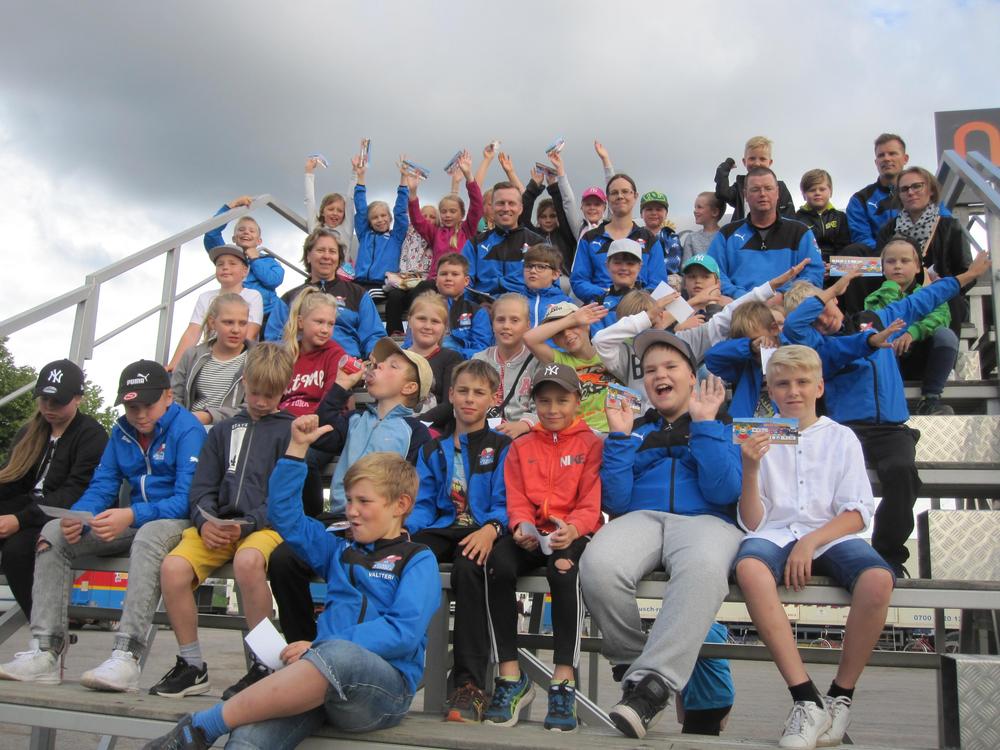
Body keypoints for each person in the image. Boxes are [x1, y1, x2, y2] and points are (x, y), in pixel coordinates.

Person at [141, 430, 439, 750]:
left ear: (400, 504)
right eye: (350, 500)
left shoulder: (418, 559)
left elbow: (403, 631)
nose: (351, 510)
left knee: (340, 655)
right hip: (321, 679)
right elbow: (285, 516)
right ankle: (198, 734)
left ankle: (202, 726)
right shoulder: (337, 549)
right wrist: (296, 450)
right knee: (248, 736)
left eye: (364, 501)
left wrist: (319, 648)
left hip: (383, 690)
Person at [781, 250, 991, 575]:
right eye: (815, 319)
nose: (824, 321)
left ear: (836, 302)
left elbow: (925, 299)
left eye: (825, 310)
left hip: (890, 430)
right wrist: (830, 292)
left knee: (903, 473)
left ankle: (887, 556)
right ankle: (823, 552)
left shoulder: (876, 319)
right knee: (822, 483)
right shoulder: (814, 345)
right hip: (844, 430)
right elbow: (795, 325)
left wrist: (968, 276)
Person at [0, 360, 206, 691]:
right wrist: (79, 516)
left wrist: (131, 515)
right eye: (132, 407)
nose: (140, 415)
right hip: (134, 519)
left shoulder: (188, 429)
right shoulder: (121, 430)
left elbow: (187, 499)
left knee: (148, 536)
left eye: (148, 405)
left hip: (175, 522)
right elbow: (102, 485)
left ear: (169, 397)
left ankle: (127, 656)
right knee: (53, 532)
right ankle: (45, 651)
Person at [581, 333, 743, 739]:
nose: (659, 375)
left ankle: (651, 687)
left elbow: (724, 491)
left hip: (707, 520)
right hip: (642, 517)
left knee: (703, 569)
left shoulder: (722, 423)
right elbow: (616, 501)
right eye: (650, 370)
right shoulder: (634, 429)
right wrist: (619, 438)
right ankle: (634, 666)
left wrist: (704, 426)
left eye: (670, 367)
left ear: (692, 376)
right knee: (598, 564)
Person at [734, 345, 894, 749]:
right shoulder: (758, 435)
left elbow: (857, 512)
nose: (793, 391)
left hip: (829, 535)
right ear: (770, 390)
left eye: (803, 382)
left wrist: (810, 541)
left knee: (877, 579)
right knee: (750, 568)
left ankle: (841, 695)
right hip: (775, 532)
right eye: (783, 384)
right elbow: (753, 521)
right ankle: (805, 698)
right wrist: (750, 469)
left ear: (819, 387)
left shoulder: (842, 437)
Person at [151, 343, 294, 700]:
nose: (261, 401)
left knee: (248, 562)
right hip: (218, 526)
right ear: (244, 382)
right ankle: (191, 665)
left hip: (266, 527)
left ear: (285, 389)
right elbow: (201, 488)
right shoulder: (222, 430)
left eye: (271, 395)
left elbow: (284, 497)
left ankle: (264, 664)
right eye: (255, 392)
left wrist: (247, 524)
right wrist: (205, 523)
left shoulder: (290, 431)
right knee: (173, 568)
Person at [271, 338, 432, 643]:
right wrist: (342, 385)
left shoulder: (416, 432)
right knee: (283, 560)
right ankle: (303, 643)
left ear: (409, 387)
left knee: (367, 568)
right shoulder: (355, 419)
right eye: (378, 363)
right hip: (339, 518)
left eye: (391, 366)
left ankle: (349, 643)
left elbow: (418, 488)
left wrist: (403, 527)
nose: (377, 367)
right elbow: (323, 432)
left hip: (384, 525)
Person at [482, 363, 603, 732]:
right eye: (545, 401)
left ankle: (563, 680)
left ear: (577, 401)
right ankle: (510, 676)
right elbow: (517, 497)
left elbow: (591, 501)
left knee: (563, 571)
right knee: (497, 564)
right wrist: (521, 526)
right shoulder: (521, 446)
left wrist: (575, 528)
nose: (552, 409)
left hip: (571, 533)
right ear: (533, 402)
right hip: (532, 534)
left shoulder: (592, 444)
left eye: (562, 401)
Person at [408, 360, 511, 723]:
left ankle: (470, 684)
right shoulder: (432, 448)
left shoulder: (501, 446)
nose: (469, 399)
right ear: (450, 394)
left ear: (493, 399)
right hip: (442, 527)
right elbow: (422, 505)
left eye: (479, 393)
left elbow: (507, 502)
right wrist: (405, 532)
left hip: (481, 529)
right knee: (408, 557)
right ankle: (394, 665)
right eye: (463, 391)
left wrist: (493, 528)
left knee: (471, 568)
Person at [592, 263, 808, 409]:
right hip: (644, 429)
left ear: (662, 317)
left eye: (652, 321)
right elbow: (600, 340)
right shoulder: (624, 355)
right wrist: (646, 317)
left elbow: (726, 317)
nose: (645, 329)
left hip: (687, 424)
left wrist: (769, 288)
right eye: (637, 325)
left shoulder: (684, 342)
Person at [0, 360, 107, 617]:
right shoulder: (30, 432)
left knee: (17, 551)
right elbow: (12, 480)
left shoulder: (92, 435)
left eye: (58, 401)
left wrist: (19, 520)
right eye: (44, 399)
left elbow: (74, 492)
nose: (49, 407)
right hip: (29, 507)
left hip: (63, 516)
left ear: (78, 398)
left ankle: (46, 631)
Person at [866, 235, 960, 415]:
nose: (897, 266)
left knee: (946, 335)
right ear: (882, 268)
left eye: (905, 261)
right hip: (891, 359)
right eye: (890, 261)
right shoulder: (873, 298)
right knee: (879, 341)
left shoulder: (931, 294)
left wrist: (912, 333)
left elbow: (940, 318)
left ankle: (930, 400)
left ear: (917, 267)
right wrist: (891, 288)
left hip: (923, 359)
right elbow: (881, 323)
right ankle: (889, 403)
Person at [876, 166, 973, 337]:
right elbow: (879, 268)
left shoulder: (949, 226)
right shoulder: (888, 230)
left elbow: (966, 270)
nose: (910, 192)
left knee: (948, 294)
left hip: (939, 295)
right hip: (900, 293)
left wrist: (944, 284)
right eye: (904, 189)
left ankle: (946, 349)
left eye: (917, 186)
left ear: (931, 190)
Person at [264, 227, 385, 358]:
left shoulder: (357, 294)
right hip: (301, 365)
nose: (326, 256)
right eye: (320, 250)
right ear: (308, 256)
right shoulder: (289, 298)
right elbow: (274, 339)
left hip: (346, 364)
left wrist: (374, 356)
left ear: (339, 259)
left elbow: (374, 336)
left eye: (332, 251)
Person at [708, 167, 824, 297]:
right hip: (738, 305)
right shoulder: (727, 234)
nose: (762, 194)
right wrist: (743, 297)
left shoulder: (800, 232)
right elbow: (713, 273)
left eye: (768, 188)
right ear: (745, 194)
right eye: (755, 189)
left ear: (777, 192)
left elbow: (814, 275)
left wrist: (783, 297)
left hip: (787, 306)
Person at [571, 174, 667, 303]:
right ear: (607, 199)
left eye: (625, 191)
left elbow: (659, 284)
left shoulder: (650, 239)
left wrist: (633, 300)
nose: (620, 196)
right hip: (599, 308)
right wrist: (608, 296)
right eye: (614, 192)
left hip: (639, 308)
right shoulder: (589, 238)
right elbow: (579, 281)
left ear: (635, 196)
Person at [523, 301, 616, 432]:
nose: (567, 334)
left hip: (620, 428)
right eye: (559, 332)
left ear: (587, 325)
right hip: (583, 434)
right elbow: (529, 338)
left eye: (573, 326)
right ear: (554, 340)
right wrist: (573, 319)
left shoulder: (610, 352)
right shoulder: (559, 361)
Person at [167, 245, 263, 371]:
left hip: (240, 360)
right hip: (208, 356)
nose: (225, 267)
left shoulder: (253, 296)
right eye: (220, 264)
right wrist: (174, 364)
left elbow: (250, 333)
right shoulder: (205, 297)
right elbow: (193, 332)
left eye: (232, 263)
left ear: (245, 271)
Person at [171, 293, 253, 427]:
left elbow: (255, 406)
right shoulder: (192, 355)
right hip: (190, 428)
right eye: (228, 322)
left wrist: (209, 416)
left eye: (243, 323)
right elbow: (174, 397)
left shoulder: (258, 359)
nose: (236, 330)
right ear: (212, 323)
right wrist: (185, 422)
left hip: (233, 430)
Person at [472, 293, 540, 439]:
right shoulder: (479, 359)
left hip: (526, 436)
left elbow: (543, 404)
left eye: (515, 320)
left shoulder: (537, 360)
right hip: (484, 434)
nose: (506, 326)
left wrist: (523, 425)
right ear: (492, 324)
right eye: (500, 320)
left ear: (528, 325)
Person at [203, 200, 284, 319]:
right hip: (236, 314)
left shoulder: (269, 261)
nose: (246, 232)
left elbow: (274, 280)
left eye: (252, 231)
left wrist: (255, 260)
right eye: (241, 230)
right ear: (234, 238)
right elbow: (211, 234)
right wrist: (228, 208)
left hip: (267, 315)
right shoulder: (226, 256)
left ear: (259, 241)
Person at [462, 181, 543, 295]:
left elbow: (549, 288)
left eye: (511, 203)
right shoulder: (474, 245)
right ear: (492, 207)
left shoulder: (538, 244)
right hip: (484, 304)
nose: (506, 208)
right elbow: (463, 286)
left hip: (526, 303)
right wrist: (474, 305)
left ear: (520, 208)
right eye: (500, 203)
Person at [704, 301, 783, 418]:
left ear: (774, 329)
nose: (757, 345)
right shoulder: (744, 364)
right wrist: (748, 347)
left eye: (757, 339)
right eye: (752, 342)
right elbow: (711, 358)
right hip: (745, 427)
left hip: (785, 426)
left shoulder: (792, 356)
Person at [278, 288, 345, 417]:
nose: (325, 330)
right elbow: (272, 398)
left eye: (330, 324)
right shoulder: (286, 355)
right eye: (319, 322)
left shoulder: (335, 355)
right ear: (301, 322)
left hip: (317, 420)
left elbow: (331, 402)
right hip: (282, 420)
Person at [350, 155, 409, 294]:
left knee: (366, 298)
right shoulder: (364, 234)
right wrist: (361, 176)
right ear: (369, 221)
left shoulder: (396, 237)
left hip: (382, 285)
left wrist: (404, 178)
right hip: (359, 282)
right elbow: (361, 208)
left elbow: (400, 211)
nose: (380, 220)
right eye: (375, 217)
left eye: (383, 215)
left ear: (390, 218)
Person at [403, 291, 464, 422]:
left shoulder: (451, 358)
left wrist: (415, 424)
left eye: (435, 321)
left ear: (445, 328)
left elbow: (449, 405)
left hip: (433, 428)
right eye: (421, 319)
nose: (427, 326)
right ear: (409, 321)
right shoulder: (396, 358)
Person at [846, 133, 910, 249]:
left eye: (892, 153)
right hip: (878, 256)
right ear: (876, 162)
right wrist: (891, 253)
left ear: (905, 159)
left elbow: (941, 222)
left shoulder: (922, 192)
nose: (886, 158)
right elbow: (861, 238)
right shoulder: (860, 200)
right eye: (881, 155)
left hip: (920, 254)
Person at [714, 136, 795, 222]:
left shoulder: (780, 187)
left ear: (770, 162)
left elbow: (790, 217)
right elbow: (722, 193)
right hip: (744, 230)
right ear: (744, 162)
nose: (757, 163)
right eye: (752, 158)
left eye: (762, 159)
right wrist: (724, 168)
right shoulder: (740, 186)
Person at [432, 253, 493, 358]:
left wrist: (455, 354)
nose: (448, 278)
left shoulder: (477, 312)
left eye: (455, 274)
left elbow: (482, 348)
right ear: (436, 280)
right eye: (443, 274)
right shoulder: (423, 308)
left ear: (466, 281)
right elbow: (411, 343)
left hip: (462, 362)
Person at [303, 155, 357, 262]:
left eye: (340, 211)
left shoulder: (346, 229)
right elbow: (309, 201)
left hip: (341, 272)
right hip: (320, 269)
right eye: (331, 209)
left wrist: (355, 172)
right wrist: (309, 171)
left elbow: (350, 200)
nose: (335, 213)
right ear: (323, 211)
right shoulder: (316, 227)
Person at [795, 169, 852, 263]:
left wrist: (834, 265)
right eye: (812, 190)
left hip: (836, 266)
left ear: (831, 191)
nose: (817, 193)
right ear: (804, 195)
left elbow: (844, 247)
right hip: (808, 264)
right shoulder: (796, 219)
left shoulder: (841, 217)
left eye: (822, 189)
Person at [522, 244, 572, 328]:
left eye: (541, 267)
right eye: (529, 266)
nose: (533, 271)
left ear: (555, 274)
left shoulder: (565, 304)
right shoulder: (514, 301)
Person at [639, 191, 683, 276]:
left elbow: (672, 264)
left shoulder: (671, 237)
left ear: (666, 214)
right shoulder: (635, 236)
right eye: (649, 209)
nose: (654, 213)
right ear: (641, 214)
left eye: (658, 209)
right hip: (639, 278)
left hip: (665, 279)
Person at [681, 192, 725, 262]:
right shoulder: (691, 238)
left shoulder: (726, 237)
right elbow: (685, 265)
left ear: (715, 212)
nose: (695, 211)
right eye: (695, 207)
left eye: (699, 207)